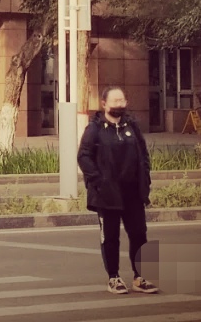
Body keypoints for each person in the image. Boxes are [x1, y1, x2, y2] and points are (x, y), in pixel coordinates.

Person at [77, 85, 159, 295]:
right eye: (115, 101)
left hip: (132, 193)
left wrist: (145, 180)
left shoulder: (131, 125)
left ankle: (140, 277)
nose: (119, 105)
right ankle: (114, 277)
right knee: (110, 237)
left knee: (139, 234)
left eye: (122, 101)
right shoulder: (94, 128)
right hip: (107, 194)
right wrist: (98, 181)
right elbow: (83, 156)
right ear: (104, 104)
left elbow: (143, 154)